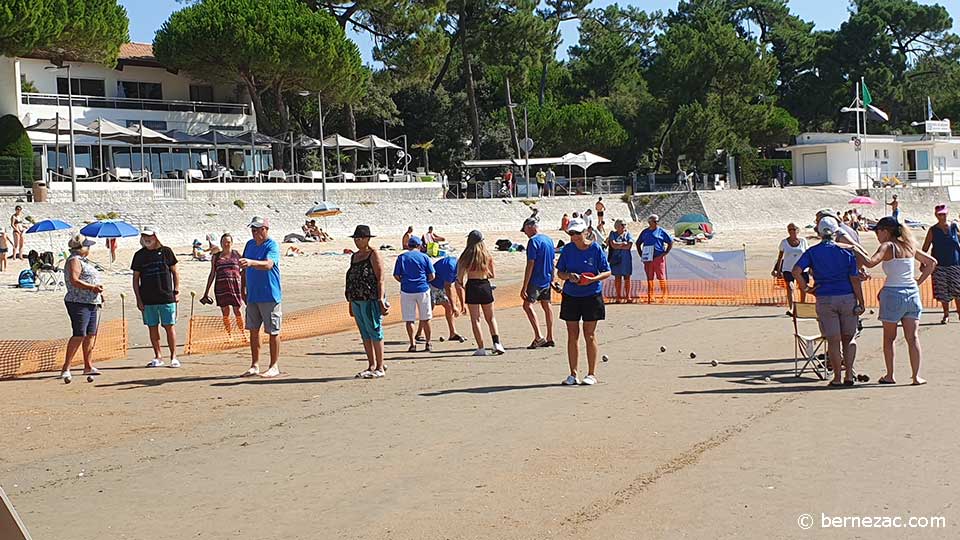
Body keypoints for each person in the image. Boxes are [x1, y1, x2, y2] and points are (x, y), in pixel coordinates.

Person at [848, 216, 936, 385]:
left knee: (889, 338)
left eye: (877, 232)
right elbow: (931, 262)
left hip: (893, 294)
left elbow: (870, 262)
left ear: (885, 231)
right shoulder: (908, 245)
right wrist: (917, 282)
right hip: (912, 294)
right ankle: (916, 376)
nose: (877, 236)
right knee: (913, 338)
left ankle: (890, 375)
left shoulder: (888, 246)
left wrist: (854, 249)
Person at [792, 217, 865, 387]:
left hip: (824, 298)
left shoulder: (812, 251)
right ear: (835, 232)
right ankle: (849, 375)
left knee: (833, 340)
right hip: (847, 297)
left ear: (819, 232)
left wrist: (806, 288)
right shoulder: (847, 251)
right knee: (849, 338)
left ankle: (837, 377)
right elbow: (855, 278)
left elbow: (796, 270)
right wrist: (861, 301)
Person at [556, 218, 611, 385]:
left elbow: (607, 271)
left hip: (591, 295)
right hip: (571, 295)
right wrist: (569, 276)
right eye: (571, 233)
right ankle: (573, 374)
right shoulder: (567, 249)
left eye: (577, 233)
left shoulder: (595, 249)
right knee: (572, 335)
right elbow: (560, 272)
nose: (574, 236)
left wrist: (592, 279)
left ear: (585, 232)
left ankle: (591, 374)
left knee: (590, 334)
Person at [131, 226, 181, 368]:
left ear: (156, 236)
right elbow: (135, 279)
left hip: (166, 296)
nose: (147, 239)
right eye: (144, 236)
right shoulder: (139, 255)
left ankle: (173, 356)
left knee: (169, 326)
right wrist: (138, 299)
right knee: (152, 327)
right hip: (147, 298)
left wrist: (176, 290)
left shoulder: (166, 252)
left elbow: (175, 271)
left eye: (150, 236)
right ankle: (158, 356)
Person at [241, 216, 283, 377]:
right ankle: (254, 364)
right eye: (253, 230)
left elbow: (269, 264)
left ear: (265, 229)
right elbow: (244, 269)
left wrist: (252, 262)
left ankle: (274, 365)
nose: (255, 233)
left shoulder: (271, 245)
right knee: (253, 330)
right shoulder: (250, 245)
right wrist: (242, 288)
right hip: (253, 294)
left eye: (258, 229)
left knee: (273, 331)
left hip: (270, 294)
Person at [345, 225, 388, 379]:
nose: (357, 241)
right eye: (356, 238)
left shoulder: (374, 254)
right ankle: (371, 364)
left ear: (367, 239)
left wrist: (381, 298)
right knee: (365, 333)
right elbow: (352, 278)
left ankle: (380, 366)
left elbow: (380, 278)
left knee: (375, 330)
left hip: (370, 298)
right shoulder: (355, 256)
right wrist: (350, 302)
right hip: (356, 298)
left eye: (360, 238)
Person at [60, 234, 104, 383]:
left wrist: (97, 294)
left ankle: (88, 366)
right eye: (88, 246)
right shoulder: (74, 260)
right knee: (79, 334)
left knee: (90, 334)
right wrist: (93, 287)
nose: (89, 248)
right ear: (81, 248)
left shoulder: (83, 260)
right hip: (78, 302)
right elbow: (74, 280)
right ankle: (66, 368)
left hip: (91, 301)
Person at [457, 230, 505, 356]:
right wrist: (482, 271)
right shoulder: (487, 255)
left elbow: (460, 278)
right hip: (484, 284)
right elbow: (492, 274)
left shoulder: (465, 256)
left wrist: (462, 284)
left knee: (475, 319)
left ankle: (481, 347)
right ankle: (497, 343)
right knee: (490, 317)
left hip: (472, 285)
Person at [394, 235, 435, 352]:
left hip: (407, 290)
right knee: (426, 318)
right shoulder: (424, 257)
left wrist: (404, 281)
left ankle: (412, 344)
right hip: (422, 289)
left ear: (408, 245)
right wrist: (424, 281)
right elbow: (432, 275)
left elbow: (396, 275)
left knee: (409, 319)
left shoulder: (402, 257)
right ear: (419, 246)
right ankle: (428, 343)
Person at [521, 217, 556, 349]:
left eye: (525, 230)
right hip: (546, 279)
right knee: (546, 305)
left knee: (527, 305)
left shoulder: (533, 242)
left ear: (529, 227)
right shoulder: (548, 239)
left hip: (536, 280)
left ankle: (539, 336)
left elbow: (530, 263)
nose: (525, 233)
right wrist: (552, 279)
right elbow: (553, 261)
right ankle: (550, 336)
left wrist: (525, 286)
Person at [922, 204, 960, 323]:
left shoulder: (954, 227)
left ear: (947, 213)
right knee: (943, 292)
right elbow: (925, 247)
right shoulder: (933, 230)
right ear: (936, 215)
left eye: (943, 214)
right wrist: (923, 262)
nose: (942, 216)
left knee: (958, 291)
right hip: (940, 266)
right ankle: (946, 314)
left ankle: (959, 313)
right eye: (939, 214)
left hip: (955, 264)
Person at [201, 233, 244, 334]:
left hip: (235, 287)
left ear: (232, 243)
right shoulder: (216, 257)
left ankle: (243, 334)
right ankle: (229, 335)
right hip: (221, 287)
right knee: (225, 312)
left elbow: (246, 268)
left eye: (228, 242)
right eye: (224, 242)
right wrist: (206, 292)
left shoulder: (236, 254)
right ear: (221, 243)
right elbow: (212, 274)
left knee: (237, 311)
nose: (226, 244)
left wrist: (241, 278)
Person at [424, 254, 466, 343]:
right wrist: (454, 306)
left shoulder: (460, 268)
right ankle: (419, 334)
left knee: (449, 307)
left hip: (440, 286)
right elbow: (448, 287)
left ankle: (453, 333)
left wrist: (462, 305)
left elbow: (458, 286)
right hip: (429, 285)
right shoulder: (451, 266)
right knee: (428, 310)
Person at [637, 214, 673, 303]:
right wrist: (641, 254)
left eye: (657, 221)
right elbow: (638, 243)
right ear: (650, 222)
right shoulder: (645, 232)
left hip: (658, 257)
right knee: (649, 278)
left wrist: (665, 253)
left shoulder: (661, 231)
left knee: (661, 277)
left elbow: (670, 241)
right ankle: (651, 296)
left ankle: (664, 296)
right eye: (655, 221)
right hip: (648, 258)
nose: (657, 223)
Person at [772, 223, 809, 309]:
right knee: (789, 287)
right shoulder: (784, 242)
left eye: (793, 229)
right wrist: (777, 270)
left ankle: (802, 307)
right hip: (788, 269)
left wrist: (811, 267)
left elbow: (807, 255)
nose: (792, 231)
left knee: (803, 288)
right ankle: (791, 308)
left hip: (802, 269)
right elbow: (780, 257)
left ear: (797, 230)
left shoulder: (803, 241)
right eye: (790, 230)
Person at [607, 219, 634, 303]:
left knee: (627, 277)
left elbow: (629, 246)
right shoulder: (613, 234)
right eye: (622, 224)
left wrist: (619, 245)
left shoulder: (628, 234)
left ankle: (628, 296)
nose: (624, 226)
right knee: (617, 277)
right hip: (616, 259)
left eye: (624, 225)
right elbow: (613, 245)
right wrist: (623, 244)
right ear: (617, 226)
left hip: (626, 259)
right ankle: (618, 297)